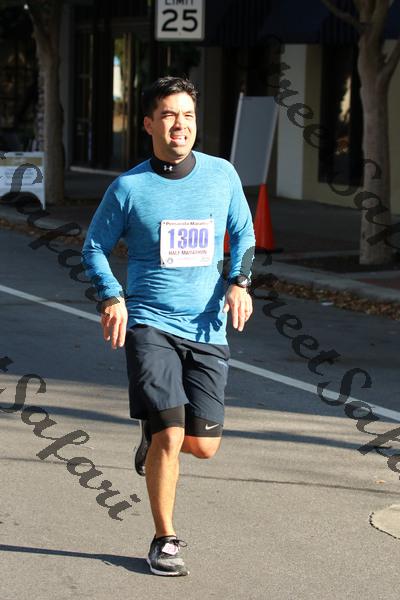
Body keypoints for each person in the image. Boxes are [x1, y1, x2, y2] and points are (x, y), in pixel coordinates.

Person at [82, 76, 255, 577]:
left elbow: (243, 234)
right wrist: (112, 296)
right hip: (149, 323)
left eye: (188, 115)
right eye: (169, 115)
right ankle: (165, 539)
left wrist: (240, 281)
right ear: (148, 124)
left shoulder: (222, 175)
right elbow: (94, 247)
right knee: (171, 435)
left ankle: (153, 431)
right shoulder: (129, 187)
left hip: (206, 327)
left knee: (203, 446)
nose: (180, 125)